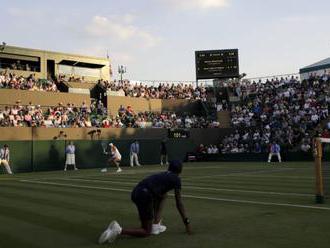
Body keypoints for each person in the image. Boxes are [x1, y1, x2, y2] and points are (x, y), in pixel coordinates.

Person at [98, 160, 191, 244]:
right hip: (145, 196)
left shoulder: (163, 175)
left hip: (136, 192)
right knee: (146, 232)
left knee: (163, 196)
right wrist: (186, 222)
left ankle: (156, 225)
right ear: (180, 171)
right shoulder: (176, 179)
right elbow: (179, 203)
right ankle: (118, 230)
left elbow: (159, 197)